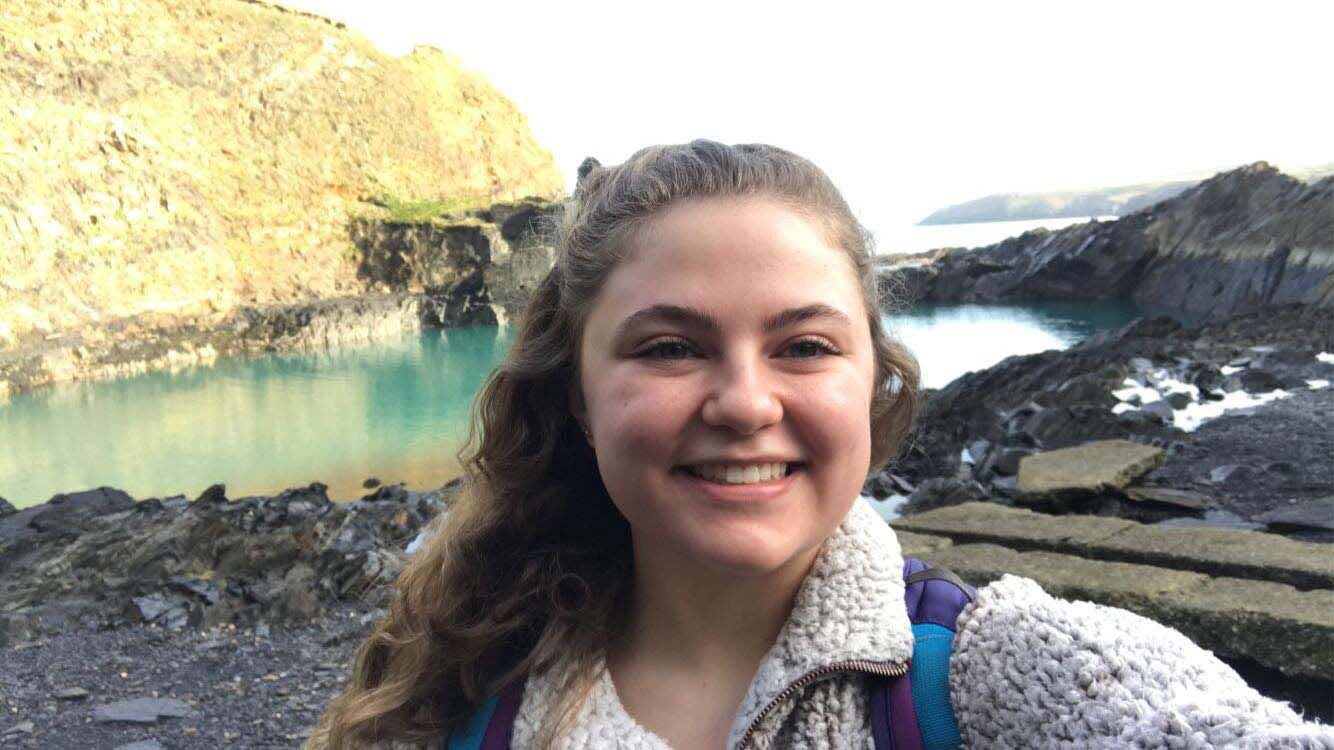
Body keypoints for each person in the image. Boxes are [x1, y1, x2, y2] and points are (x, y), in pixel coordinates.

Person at [309, 141, 1332, 749]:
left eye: (802, 345)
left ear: (871, 382)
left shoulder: (996, 680)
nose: (745, 402)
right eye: (670, 347)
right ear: (576, 396)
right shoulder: (460, 689)